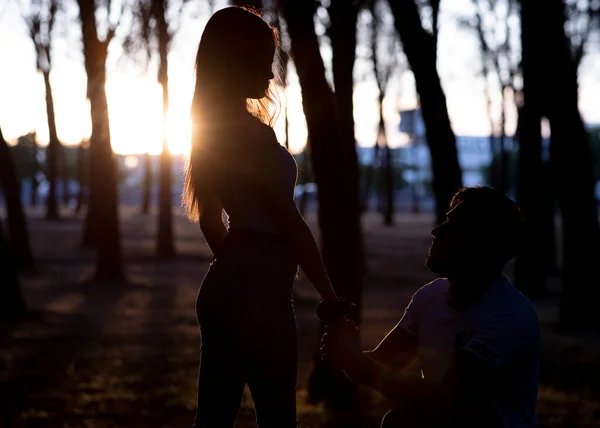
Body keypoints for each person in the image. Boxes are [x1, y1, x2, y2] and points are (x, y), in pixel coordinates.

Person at [183, 6, 350, 428]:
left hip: (222, 292)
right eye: (262, 60)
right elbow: (289, 221)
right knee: (278, 420)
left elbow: (209, 222)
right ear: (235, 62)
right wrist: (330, 298)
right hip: (261, 296)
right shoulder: (254, 136)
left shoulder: (209, 128)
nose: (271, 74)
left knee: (213, 418)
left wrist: (235, 267)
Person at [321, 186, 541, 427]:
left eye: (453, 227)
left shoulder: (509, 317)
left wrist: (358, 364)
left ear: (480, 244)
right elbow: (383, 362)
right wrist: (347, 349)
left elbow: (445, 398)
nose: (436, 231)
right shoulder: (430, 296)